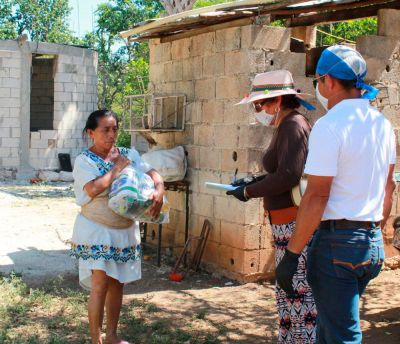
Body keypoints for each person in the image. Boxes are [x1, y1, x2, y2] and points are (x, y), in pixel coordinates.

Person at [276, 45, 396, 343]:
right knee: (329, 328)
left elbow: (316, 196)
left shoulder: (329, 126)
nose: (317, 86)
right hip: (371, 245)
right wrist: (373, 231)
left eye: (317, 80)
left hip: (337, 246)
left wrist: (291, 255)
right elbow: (389, 186)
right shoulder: (382, 124)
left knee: (343, 334)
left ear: (328, 81)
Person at [227, 70, 318, 343]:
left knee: (298, 292)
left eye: (261, 104)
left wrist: (250, 190)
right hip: (285, 223)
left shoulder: (293, 125)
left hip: (294, 224)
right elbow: (285, 172)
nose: (259, 110)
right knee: (289, 293)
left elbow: (290, 175)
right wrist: (254, 182)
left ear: (277, 100)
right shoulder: (288, 125)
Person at [70, 109, 165, 344]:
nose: (111, 134)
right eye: (105, 130)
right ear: (91, 133)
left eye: (115, 129)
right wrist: (117, 169)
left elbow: (151, 171)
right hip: (96, 229)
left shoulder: (127, 153)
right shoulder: (84, 160)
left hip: (123, 231)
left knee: (117, 283)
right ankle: (96, 340)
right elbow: (92, 189)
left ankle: (112, 336)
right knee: (100, 283)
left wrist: (159, 189)